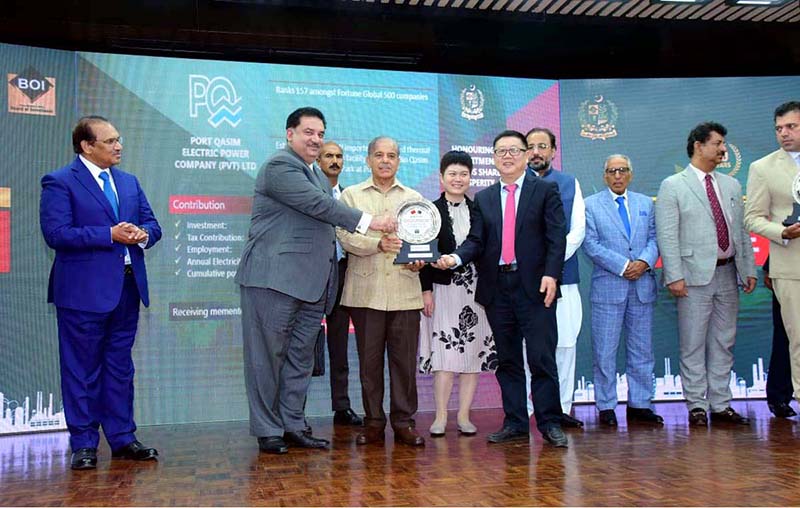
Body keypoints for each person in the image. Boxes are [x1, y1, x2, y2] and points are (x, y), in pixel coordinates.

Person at [234, 108, 394, 455]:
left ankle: (293, 425)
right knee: (266, 359)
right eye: (308, 132)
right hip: (273, 280)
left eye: (320, 133)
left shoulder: (316, 174)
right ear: (289, 134)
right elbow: (319, 206)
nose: (316, 140)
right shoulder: (280, 167)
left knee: (301, 359)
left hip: (311, 285)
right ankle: (268, 430)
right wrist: (370, 221)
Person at [39, 116, 162, 470]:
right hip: (82, 293)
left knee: (120, 368)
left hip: (127, 288)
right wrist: (109, 234)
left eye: (118, 139)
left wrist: (143, 234)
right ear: (87, 146)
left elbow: (153, 225)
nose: (118, 146)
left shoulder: (128, 182)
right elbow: (56, 234)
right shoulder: (60, 181)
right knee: (82, 370)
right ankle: (84, 444)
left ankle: (123, 438)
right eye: (110, 141)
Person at [435, 130, 568, 448]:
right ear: (493, 158)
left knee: (541, 358)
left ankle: (550, 422)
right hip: (497, 289)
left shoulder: (545, 190)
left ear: (526, 155)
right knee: (507, 361)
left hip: (536, 288)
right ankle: (516, 423)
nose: (507, 156)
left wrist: (552, 274)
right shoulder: (484, 198)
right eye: (501, 151)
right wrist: (455, 258)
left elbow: (556, 237)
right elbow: (476, 241)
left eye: (514, 150)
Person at [655, 122, 757, 427]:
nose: (723, 149)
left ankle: (721, 405)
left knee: (724, 341)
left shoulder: (731, 185)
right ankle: (697, 405)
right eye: (718, 143)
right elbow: (667, 235)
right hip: (692, 277)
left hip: (728, 273)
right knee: (693, 343)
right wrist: (674, 275)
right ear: (699, 146)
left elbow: (740, 231)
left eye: (723, 143)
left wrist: (748, 268)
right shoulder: (673, 185)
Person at [337, 136, 426, 447]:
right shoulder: (351, 195)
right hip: (366, 293)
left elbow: (421, 241)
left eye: (391, 155)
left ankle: (404, 422)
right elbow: (344, 237)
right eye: (379, 155)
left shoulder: (414, 197)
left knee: (405, 365)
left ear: (399, 161)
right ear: (368, 160)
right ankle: (373, 422)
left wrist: (418, 260)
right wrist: (378, 244)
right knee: (370, 365)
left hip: (405, 292)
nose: (385, 160)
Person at [418, 150, 496, 437]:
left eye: (464, 174)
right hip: (442, 290)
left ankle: (464, 416)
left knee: (472, 357)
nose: (458, 179)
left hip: (476, 292)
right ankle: (440, 416)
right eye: (452, 173)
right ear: (441, 177)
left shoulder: (480, 210)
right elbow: (422, 252)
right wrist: (426, 290)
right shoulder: (429, 210)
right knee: (444, 356)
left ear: (470, 177)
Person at [583, 154, 663, 427]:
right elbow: (591, 244)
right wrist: (624, 266)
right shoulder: (590, 205)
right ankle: (606, 406)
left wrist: (643, 262)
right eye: (612, 171)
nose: (617, 175)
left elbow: (655, 238)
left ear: (631, 173)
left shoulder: (645, 203)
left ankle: (640, 404)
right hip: (608, 289)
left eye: (622, 170)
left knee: (642, 350)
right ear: (604, 176)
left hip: (642, 287)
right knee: (605, 352)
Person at [524, 127, 585, 428]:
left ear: (553, 150)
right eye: (530, 146)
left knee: (565, 344)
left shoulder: (569, 183)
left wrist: (550, 262)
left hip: (563, 277)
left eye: (542, 146)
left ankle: (561, 408)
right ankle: (525, 410)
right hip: (525, 281)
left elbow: (578, 230)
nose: (536, 152)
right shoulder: (513, 185)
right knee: (526, 348)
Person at [744, 101, 800, 409]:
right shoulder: (763, 168)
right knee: (797, 339)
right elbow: (752, 218)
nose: (784, 133)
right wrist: (782, 232)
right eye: (779, 129)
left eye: (791, 126)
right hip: (790, 266)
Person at [317, 141, 363, 426]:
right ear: (317, 161)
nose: (334, 161)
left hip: (344, 272)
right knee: (303, 345)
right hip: (312, 274)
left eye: (339, 156)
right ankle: (294, 413)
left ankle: (342, 406)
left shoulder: (350, 197)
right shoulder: (308, 193)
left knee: (339, 344)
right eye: (328, 156)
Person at [762, 257, 797, 418]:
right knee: (786, 335)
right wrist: (771, 267)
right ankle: (779, 397)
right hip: (789, 273)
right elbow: (782, 240)